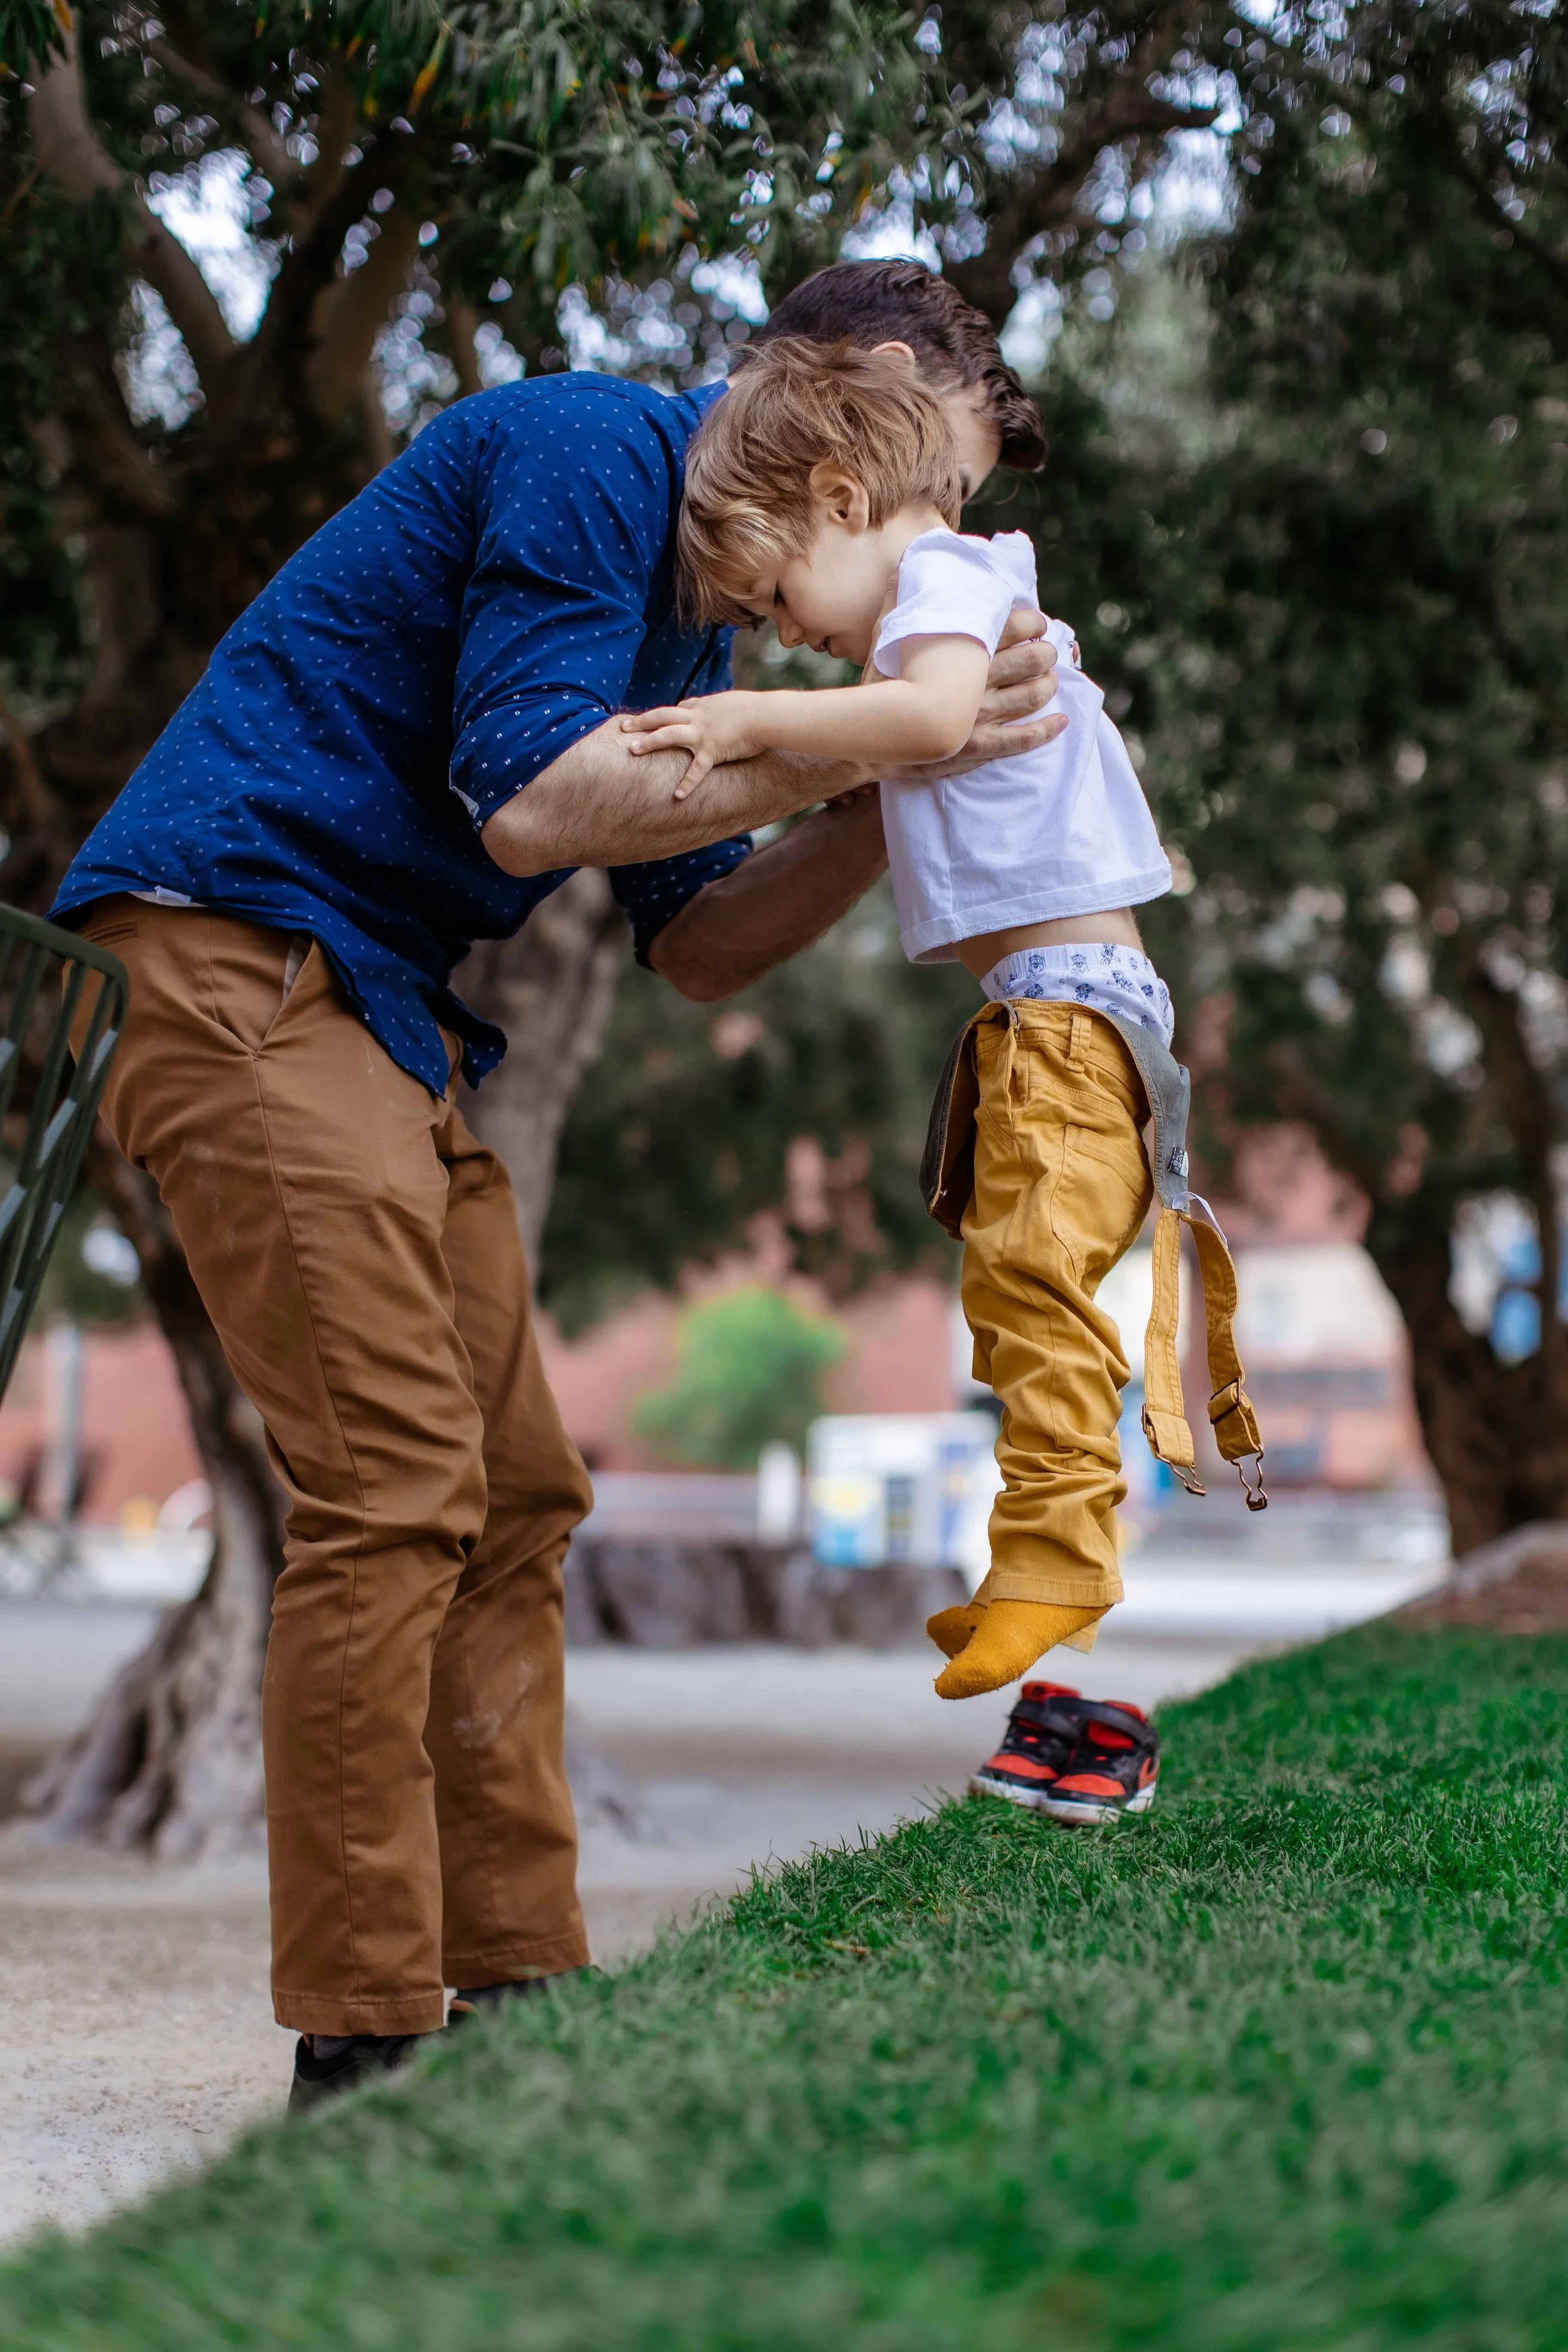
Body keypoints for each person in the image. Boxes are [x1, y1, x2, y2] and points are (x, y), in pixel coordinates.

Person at [51, 261, 1067, 2109]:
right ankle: (362, 2033)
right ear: (828, 430)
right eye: (919, 506)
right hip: (234, 955)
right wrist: (868, 728)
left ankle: (517, 1986)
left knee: (520, 1492)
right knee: (392, 1489)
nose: (928, 564)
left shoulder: (698, 645)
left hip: (369, 1009)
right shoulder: (588, 451)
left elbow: (699, 944)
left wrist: (873, 794)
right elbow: (529, 797)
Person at [622, 337, 1266, 1777]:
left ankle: (1056, 1582)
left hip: (1065, 1010)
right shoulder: (937, 603)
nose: (784, 637)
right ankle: (1052, 1626)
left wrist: (741, 720)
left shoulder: (951, 585)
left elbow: (917, 722)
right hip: (1048, 1010)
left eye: (777, 595)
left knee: (1035, 1294)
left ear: (844, 494)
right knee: (1013, 1303)